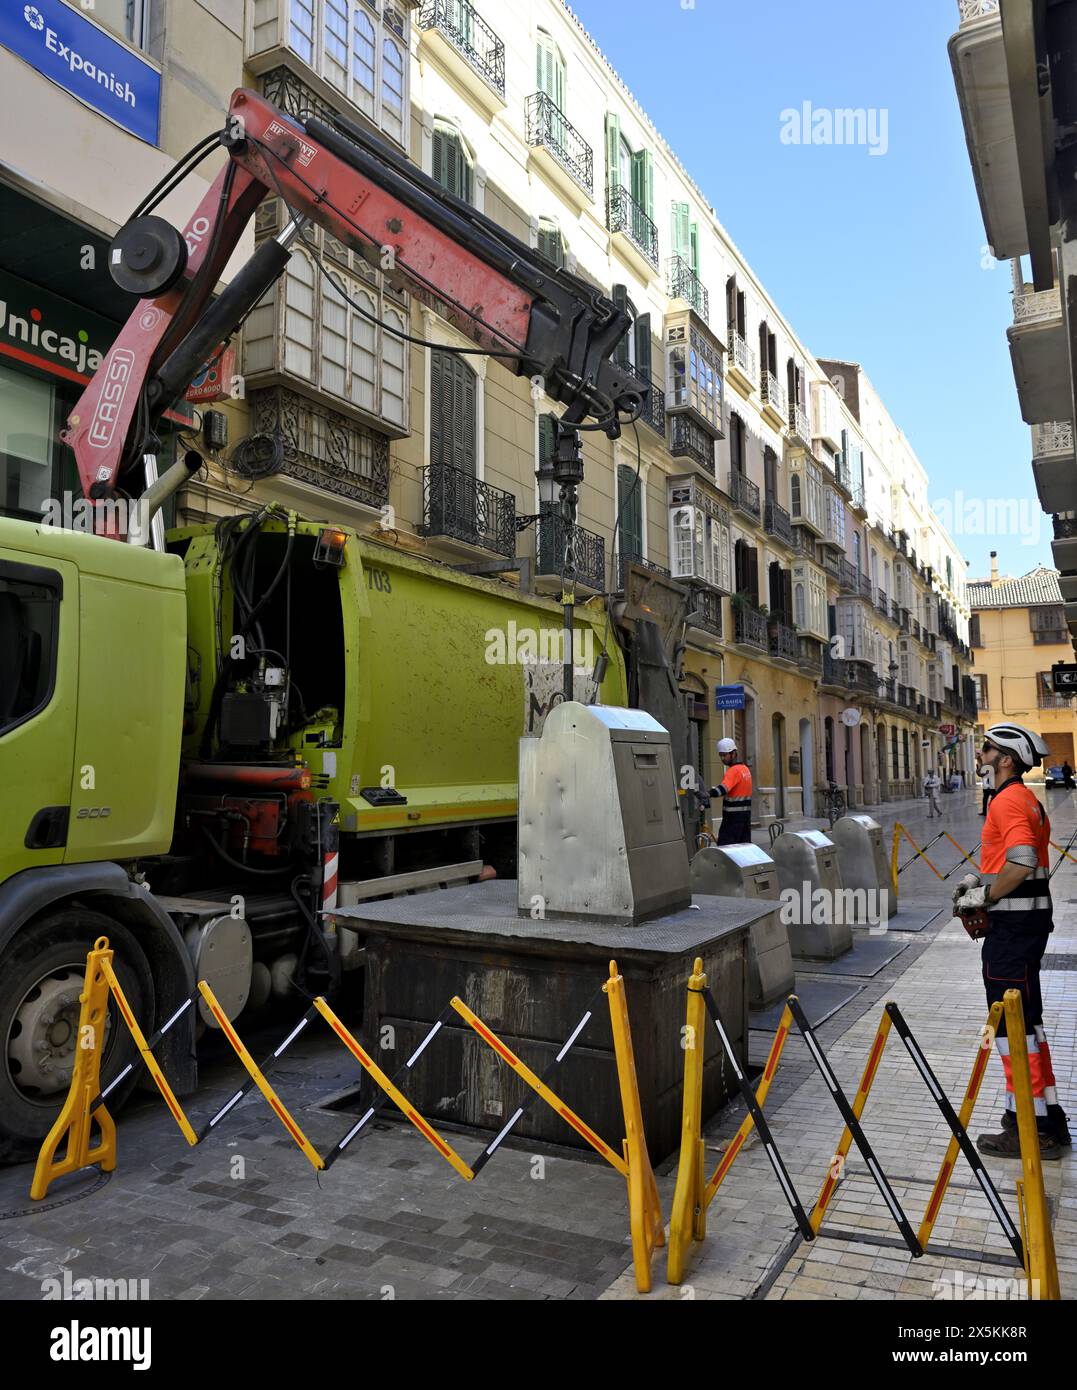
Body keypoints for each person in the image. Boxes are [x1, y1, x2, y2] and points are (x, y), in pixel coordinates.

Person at [953, 723, 1071, 1158]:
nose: (980, 753)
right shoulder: (1023, 799)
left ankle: (1031, 1130)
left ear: (1006, 759)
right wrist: (977, 880)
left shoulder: (1008, 801)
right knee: (1027, 1025)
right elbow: (1013, 860)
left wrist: (983, 895)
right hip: (1025, 927)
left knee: (1010, 1028)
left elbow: (1020, 863)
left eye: (987, 748)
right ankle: (1043, 1121)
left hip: (1013, 932)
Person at [709, 737, 753, 845]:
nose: (722, 758)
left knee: (726, 852)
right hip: (745, 819)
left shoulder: (732, 771)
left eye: (725, 755)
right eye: (721, 755)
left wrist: (707, 793)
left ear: (733, 753)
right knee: (743, 850)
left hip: (732, 821)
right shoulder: (745, 769)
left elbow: (722, 789)